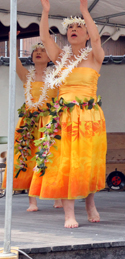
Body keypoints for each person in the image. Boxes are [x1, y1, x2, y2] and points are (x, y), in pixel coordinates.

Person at [29, 0, 107, 228]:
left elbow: (96, 39)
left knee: (88, 160)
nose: (73, 30)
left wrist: (85, 13)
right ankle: (69, 214)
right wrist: (45, 12)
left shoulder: (95, 56)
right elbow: (44, 37)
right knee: (66, 162)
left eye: (78, 27)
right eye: (70, 28)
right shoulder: (60, 56)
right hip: (63, 117)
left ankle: (90, 202)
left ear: (85, 33)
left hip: (89, 116)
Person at [2, 38, 62, 211]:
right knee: (28, 157)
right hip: (29, 122)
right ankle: (32, 202)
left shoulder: (56, 74)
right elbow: (15, 60)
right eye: (36, 50)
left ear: (49, 57)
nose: (38, 52)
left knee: (50, 157)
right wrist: (13, 40)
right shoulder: (26, 75)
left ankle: (56, 196)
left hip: (48, 121)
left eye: (43, 50)